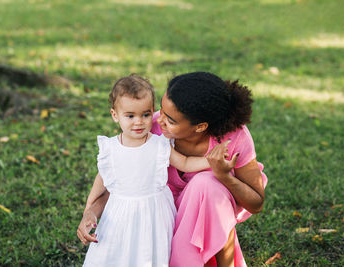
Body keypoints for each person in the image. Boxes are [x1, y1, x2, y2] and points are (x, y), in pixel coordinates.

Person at [78, 72, 267, 267]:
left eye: (170, 120)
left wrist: (223, 175)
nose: (158, 120)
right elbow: (120, 180)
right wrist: (90, 211)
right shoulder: (147, 129)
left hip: (200, 215)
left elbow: (256, 204)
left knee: (207, 184)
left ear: (200, 126)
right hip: (157, 219)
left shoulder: (234, 138)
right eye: (160, 108)